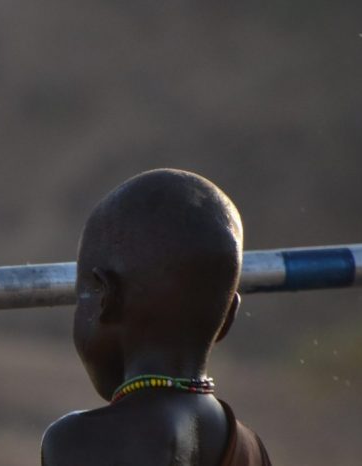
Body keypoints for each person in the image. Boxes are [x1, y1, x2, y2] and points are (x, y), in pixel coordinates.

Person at [41, 169, 272, 466]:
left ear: (104, 298)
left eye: (81, 296)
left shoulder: (81, 440)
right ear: (228, 318)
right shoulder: (252, 449)